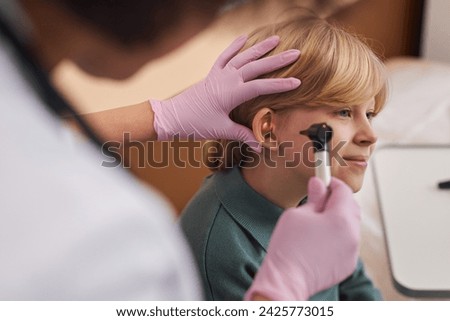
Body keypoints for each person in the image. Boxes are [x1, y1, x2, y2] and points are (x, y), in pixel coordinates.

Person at [0, 0, 362, 300]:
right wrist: (285, 286)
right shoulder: (114, 242)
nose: (369, 134)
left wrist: (164, 116)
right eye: (344, 111)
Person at [180, 14, 388, 300]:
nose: (370, 135)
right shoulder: (220, 250)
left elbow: (355, 285)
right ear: (268, 129)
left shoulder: (312, 187)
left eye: (370, 114)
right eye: (343, 112)